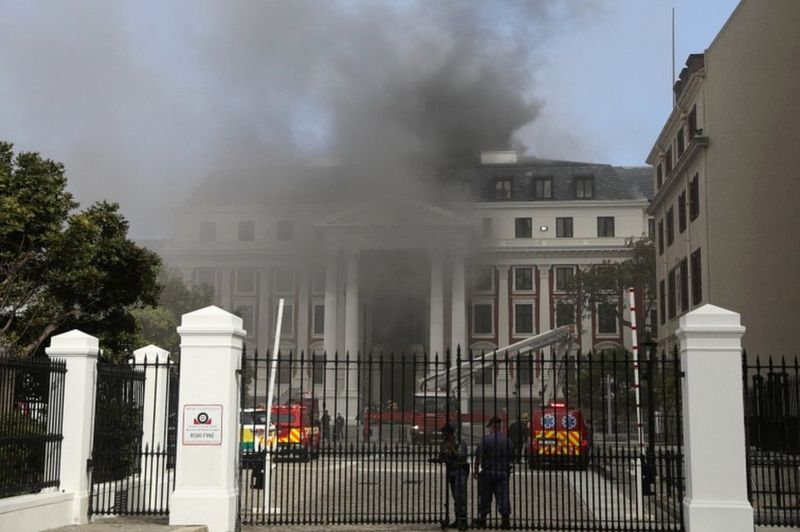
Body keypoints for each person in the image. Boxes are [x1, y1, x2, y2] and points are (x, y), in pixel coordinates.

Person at [473, 416, 513, 529]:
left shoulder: (486, 439)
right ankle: (505, 520)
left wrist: (476, 471)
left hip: (488, 472)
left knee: (485, 496)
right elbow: (512, 457)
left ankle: (483, 518)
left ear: (491, 427)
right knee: (503, 496)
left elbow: (478, 456)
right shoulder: (507, 440)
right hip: (502, 472)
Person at [430, 424, 469, 531]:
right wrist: (438, 459)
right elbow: (442, 456)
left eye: (446, 435)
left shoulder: (460, 442)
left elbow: (463, 457)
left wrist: (452, 449)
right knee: (454, 496)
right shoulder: (444, 444)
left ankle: (462, 520)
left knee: (460, 496)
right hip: (451, 471)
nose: (444, 437)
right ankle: (457, 518)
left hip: (460, 470)